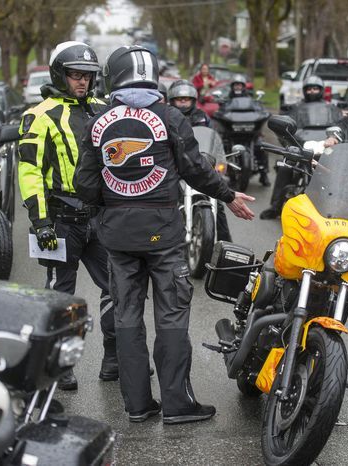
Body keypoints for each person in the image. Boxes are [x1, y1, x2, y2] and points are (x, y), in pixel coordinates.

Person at [76, 45, 255, 424]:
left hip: (118, 238)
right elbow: (194, 169)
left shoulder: (98, 121)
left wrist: (111, 205)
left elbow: (85, 183)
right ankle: (177, 404)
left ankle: (137, 406)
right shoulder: (170, 116)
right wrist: (228, 195)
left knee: (126, 317)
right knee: (171, 317)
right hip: (164, 236)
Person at [17, 41, 117, 391]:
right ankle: (61, 364)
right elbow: (29, 173)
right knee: (60, 296)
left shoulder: (106, 109)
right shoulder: (39, 115)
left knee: (117, 288)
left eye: (88, 76)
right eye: (76, 75)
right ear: (60, 74)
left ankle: (114, 358)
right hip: (60, 220)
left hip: (101, 219)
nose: (83, 82)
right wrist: (40, 222)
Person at [260, 76, 342, 219]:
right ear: (304, 91)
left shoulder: (333, 109)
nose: (312, 91)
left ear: (321, 90)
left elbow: (341, 126)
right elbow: (286, 129)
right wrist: (291, 144)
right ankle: (275, 206)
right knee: (285, 168)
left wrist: (335, 137)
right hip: (301, 148)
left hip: (328, 150)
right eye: (309, 89)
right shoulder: (295, 109)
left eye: (315, 88)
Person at [168, 79, 232, 241]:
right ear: (172, 100)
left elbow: (211, 139)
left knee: (219, 202)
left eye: (187, 99)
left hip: (198, 164)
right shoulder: (166, 116)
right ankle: (162, 241)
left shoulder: (201, 116)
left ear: (193, 100)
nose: (183, 102)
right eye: (179, 99)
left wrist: (217, 158)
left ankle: (225, 245)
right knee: (166, 200)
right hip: (174, 166)